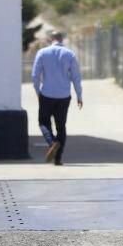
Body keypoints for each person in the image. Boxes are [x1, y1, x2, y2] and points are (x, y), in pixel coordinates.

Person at [31, 30, 83, 165]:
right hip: (64, 96)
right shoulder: (70, 54)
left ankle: (52, 142)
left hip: (47, 94)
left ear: (50, 39)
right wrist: (79, 95)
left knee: (43, 122)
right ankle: (58, 159)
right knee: (61, 126)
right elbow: (76, 77)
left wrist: (38, 92)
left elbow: (35, 76)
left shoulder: (42, 53)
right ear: (62, 39)